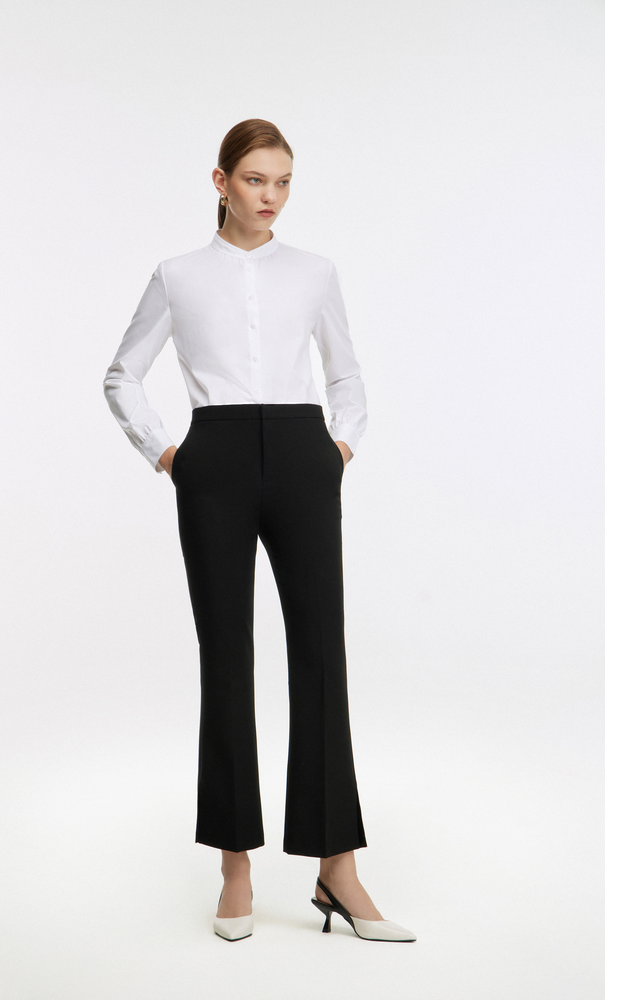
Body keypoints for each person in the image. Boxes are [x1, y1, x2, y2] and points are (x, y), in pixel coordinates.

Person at [104, 119, 415, 944]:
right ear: (220, 182)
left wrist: (339, 446)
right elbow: (123, 373)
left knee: (321, 653)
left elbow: (346, 371)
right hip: (215, 460)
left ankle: (337, 867)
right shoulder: (177, 275)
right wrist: (167, 453)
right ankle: (235, 864)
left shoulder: (314, 272)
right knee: (227, 656)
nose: (270, 196)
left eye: (282, 182)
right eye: (254, 180)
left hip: (305, 456)